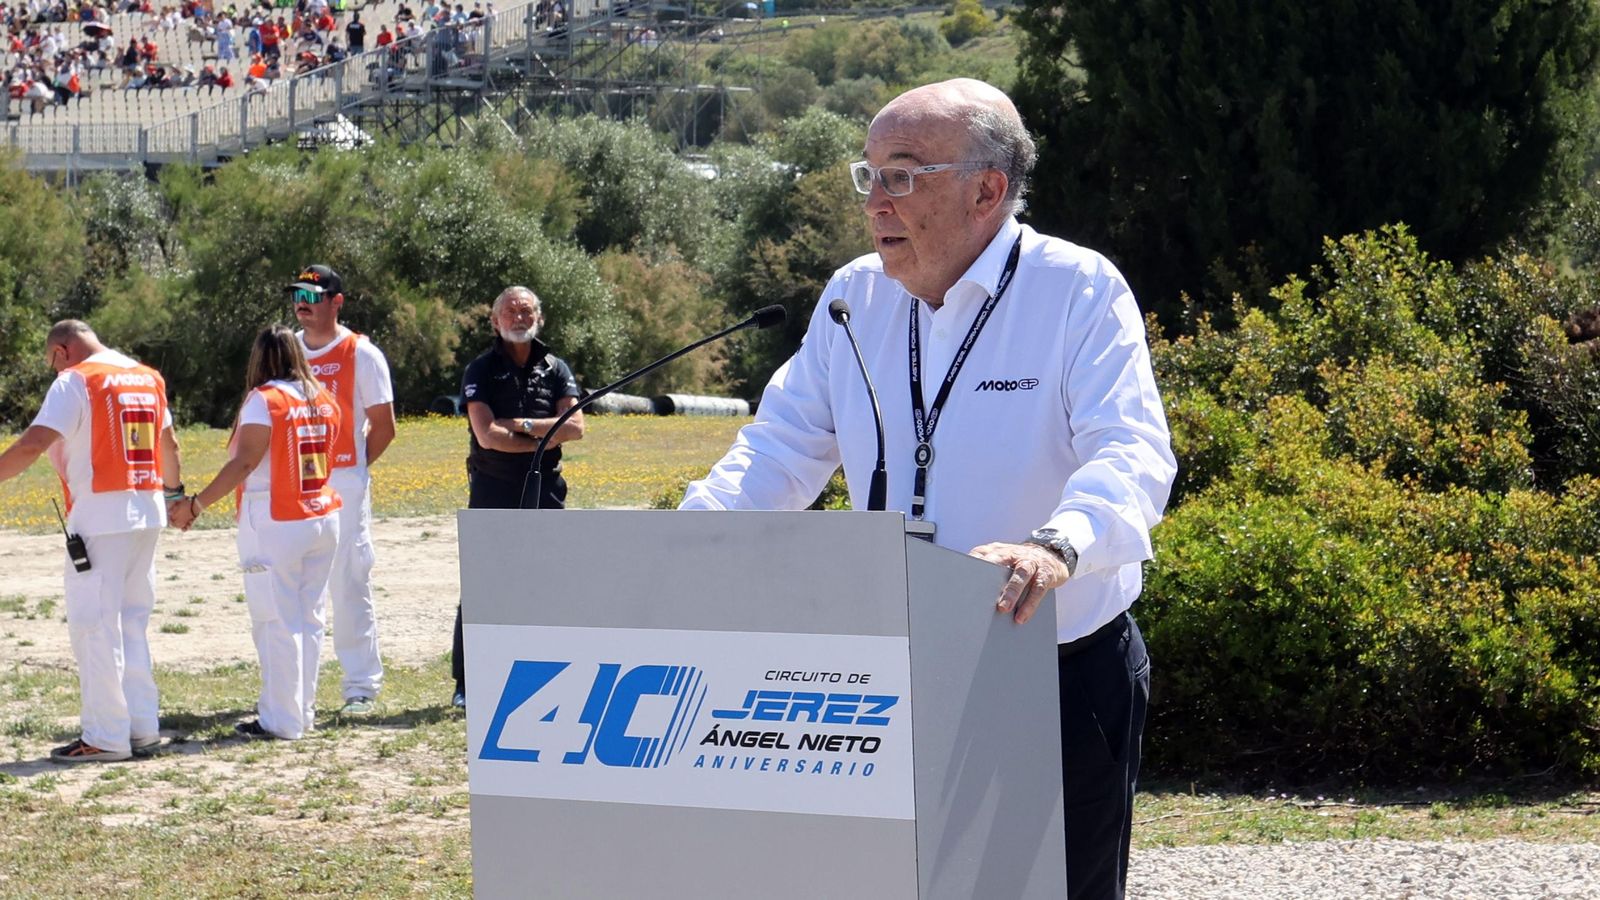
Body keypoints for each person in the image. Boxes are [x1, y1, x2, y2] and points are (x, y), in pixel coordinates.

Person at [678, 78, 1176, 900]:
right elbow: (776, 454)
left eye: (902, 175)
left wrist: (1056, 546)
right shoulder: (853, 298)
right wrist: (683, 540)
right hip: (892, 671)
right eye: (867, 174)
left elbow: (1130, 455)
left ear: (988, 189)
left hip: (1053, 670)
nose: (874, 201)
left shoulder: (1076, 290)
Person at [0, 320, 183, 763]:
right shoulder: (146, 375)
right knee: (131, 622)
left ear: (62, 351)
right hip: (147, 510)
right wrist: (174, 496)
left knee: (94, 628)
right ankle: (141, 727)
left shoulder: (75, 381)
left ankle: (105, 736)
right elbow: (169, 444)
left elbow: (35, 443)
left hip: (101, 515)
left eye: (50, 362)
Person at [171, 325, 343, 741]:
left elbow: (244, 464)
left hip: (276, 517)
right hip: (321, 513)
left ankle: (280, 720)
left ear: (259, 359)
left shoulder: (265, 401)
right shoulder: (323, 396)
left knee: (274, 620)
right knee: (309, 619)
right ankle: (301, 712)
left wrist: (196, 504)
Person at [449, 285, 583, 708]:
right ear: (495, 321)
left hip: (547, 488)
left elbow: (576, 426)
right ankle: (466, 684)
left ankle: (546, 674)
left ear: (539, 318)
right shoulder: (480, 370)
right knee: (484, 582)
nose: (519, 318)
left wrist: (520, 425)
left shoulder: (556, 367)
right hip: (493, 487)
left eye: (526, 311)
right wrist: (546, 433)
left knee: (549, 581)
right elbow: (488, 436)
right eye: (509, 312)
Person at [286, 264, 395, 715]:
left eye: (314, 295)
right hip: (292, 485)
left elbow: (384, 427)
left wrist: (349, 467)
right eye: (298, 295)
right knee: (292, 583)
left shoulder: (361, 354)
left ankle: (360, 687)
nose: (303, 303)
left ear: (337, 302)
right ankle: (294, 688)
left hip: (344, 483)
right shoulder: (286, 349)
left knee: (349, 580)